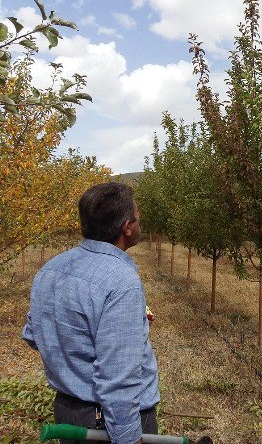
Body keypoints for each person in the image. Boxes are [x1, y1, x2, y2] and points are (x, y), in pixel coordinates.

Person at [22, 182, 159, 444]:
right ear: (127, 228)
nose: (140, 222)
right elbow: (118, 379)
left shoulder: (51, 268)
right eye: (138, 217)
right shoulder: (122, 283)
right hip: (105, 422)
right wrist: (129, 437)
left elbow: (34, 334)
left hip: (67, 412)